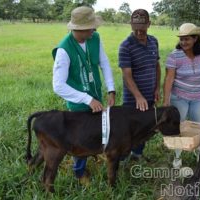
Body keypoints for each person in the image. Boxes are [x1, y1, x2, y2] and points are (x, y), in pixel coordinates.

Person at [52, 6, 115, 185]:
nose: (94, 30)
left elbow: (104, 62)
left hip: (95, 94)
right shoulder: (64, 50)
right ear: (79, 29)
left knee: (97, 129)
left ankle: (91, 154)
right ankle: (79, 172)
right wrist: (87, 99)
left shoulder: (95, 38)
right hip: (78, 102)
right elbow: (58, 86)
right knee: (81, 136)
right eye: (91, 27)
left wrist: (111, 89)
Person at [163, 23, 200, 168]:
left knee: (198, 127)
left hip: (199, 97)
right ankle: (178, 156)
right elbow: (169, 79)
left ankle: (198, 152)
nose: (183, 42)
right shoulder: (175, 56)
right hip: (179, 97)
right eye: (181, 39)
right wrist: (166, 100)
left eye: (187, 39)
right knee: (178, 127)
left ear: (195, 39)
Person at [118, 9, 161, 160]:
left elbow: (156, 66)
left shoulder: (154, 41)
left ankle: (137, 154)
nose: (138, 33)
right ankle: (123, 158)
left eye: (142, 30)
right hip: (132, 99)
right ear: (131, 25)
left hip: (150, 96)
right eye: (135, 29)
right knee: (128, 129)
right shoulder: (125, 46)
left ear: (149, 24)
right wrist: (138, 97)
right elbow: (127, 75)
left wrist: (157, 88)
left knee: (145, 128)